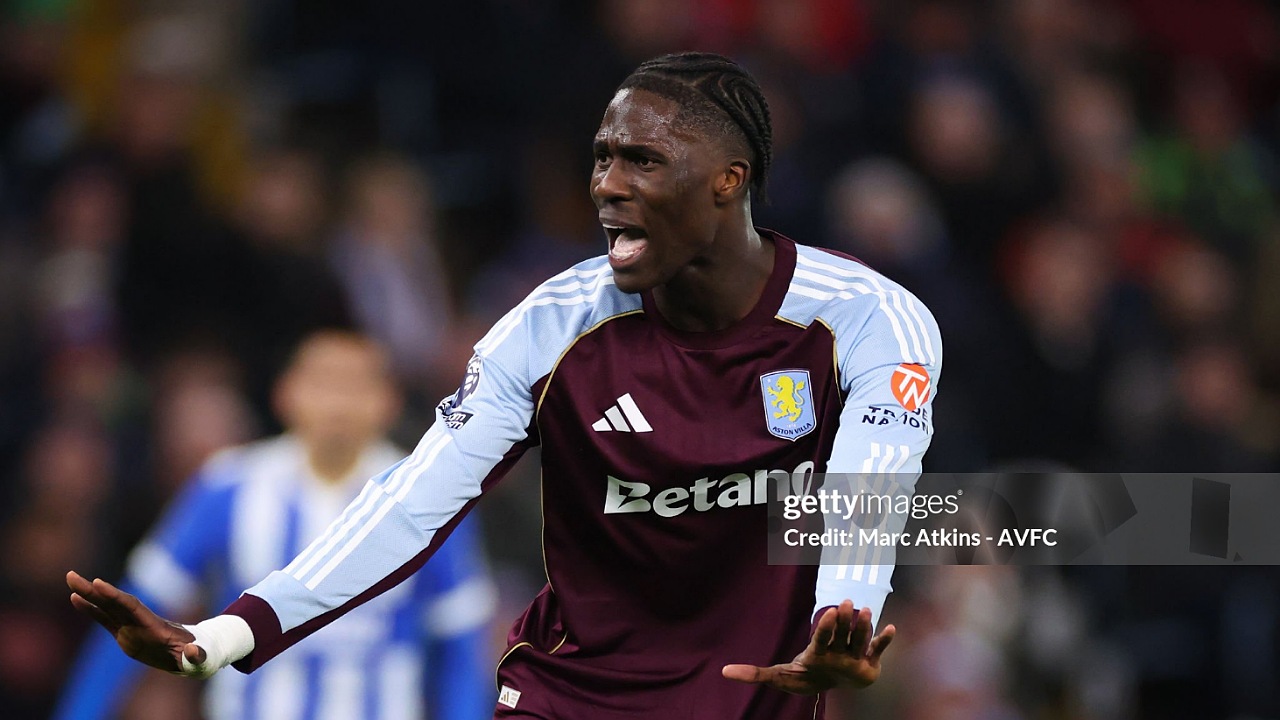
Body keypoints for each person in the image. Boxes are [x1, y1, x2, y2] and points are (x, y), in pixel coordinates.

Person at [67, 53, 942, 719]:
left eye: (641, 161)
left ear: (728, 180)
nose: (607, 186)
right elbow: (411, 503)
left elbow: (873, 485)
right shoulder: (549, 328)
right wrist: (225, 635)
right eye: (602, 159)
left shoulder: (867, 322)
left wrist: (846, 616)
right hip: (573, 697)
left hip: (755, 698)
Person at [58, 330, 497, 720]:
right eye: (324, 383)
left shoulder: (431, 493)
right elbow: (138, 610)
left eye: (357, 385)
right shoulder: (226, 486)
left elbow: (460, 646)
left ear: (388, 401)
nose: (339, 402)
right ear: (286, 393)